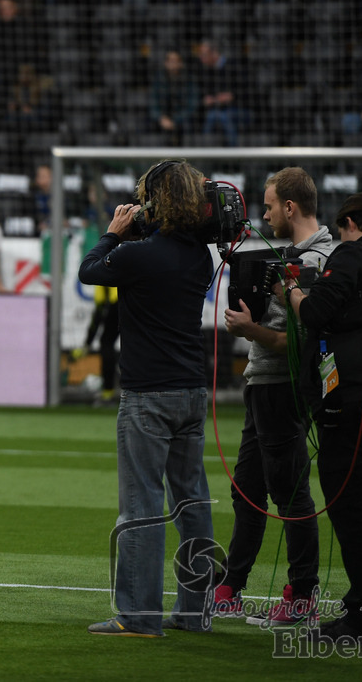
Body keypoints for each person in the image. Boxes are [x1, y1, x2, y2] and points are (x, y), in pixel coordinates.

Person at [79, 160, 215, 636]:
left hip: (148, 395)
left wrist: (114, 231)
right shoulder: (200, 254)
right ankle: (195, 612)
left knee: (141, 503)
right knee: (193, 501)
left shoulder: (138, 255)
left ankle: (138, 616)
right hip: (192, 390)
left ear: (154, 203)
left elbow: (89, 271)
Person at [284, 192, 362, 649]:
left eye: (340, 230)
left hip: (351, 391)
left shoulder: (353, 254)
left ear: (350, 223)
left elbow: (315, 312)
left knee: (353, 503)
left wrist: (292, 290)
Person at [215, 167, 333, 625]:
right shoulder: (293, 254)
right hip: (262, 384)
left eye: (267, 206)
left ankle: (302, 593)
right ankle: (231, 585)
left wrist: (250, 330)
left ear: (289, 207)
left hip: (284, 387)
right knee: (247, 490)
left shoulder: (317, 262)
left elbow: (302, 342)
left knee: (290, 492)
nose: (262, 215)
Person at [196, 40, 250, 147]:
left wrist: (232, 97)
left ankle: (233, 153)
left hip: (240, 110)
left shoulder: (235, 67)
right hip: (216, 110)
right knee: (214, 115)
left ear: (214, 53)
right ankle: (208, 152)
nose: (201, 59)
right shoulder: (206, 72)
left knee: (222, 116)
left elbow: (250, 93)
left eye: (204, 55)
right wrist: (207, 100)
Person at [148, 49, 199, 146]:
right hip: (163, 119)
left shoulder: (189, 80)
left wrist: (175, 120)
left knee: (188, 125)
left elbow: (192, 106)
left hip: (183, 119)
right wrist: (161, 118)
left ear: (181, 63)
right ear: (166, 63)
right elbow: (153, 103)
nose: (173, 64)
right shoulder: (158, 81)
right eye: (171, 61)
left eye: (176, 61)